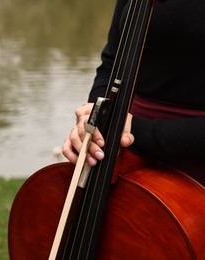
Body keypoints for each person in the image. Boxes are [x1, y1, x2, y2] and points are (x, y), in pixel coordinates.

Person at [62, 0, 205, 186]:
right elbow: (111, 64)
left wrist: (134, 129)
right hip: (128, 153)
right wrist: (95, 119)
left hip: (190, 153)